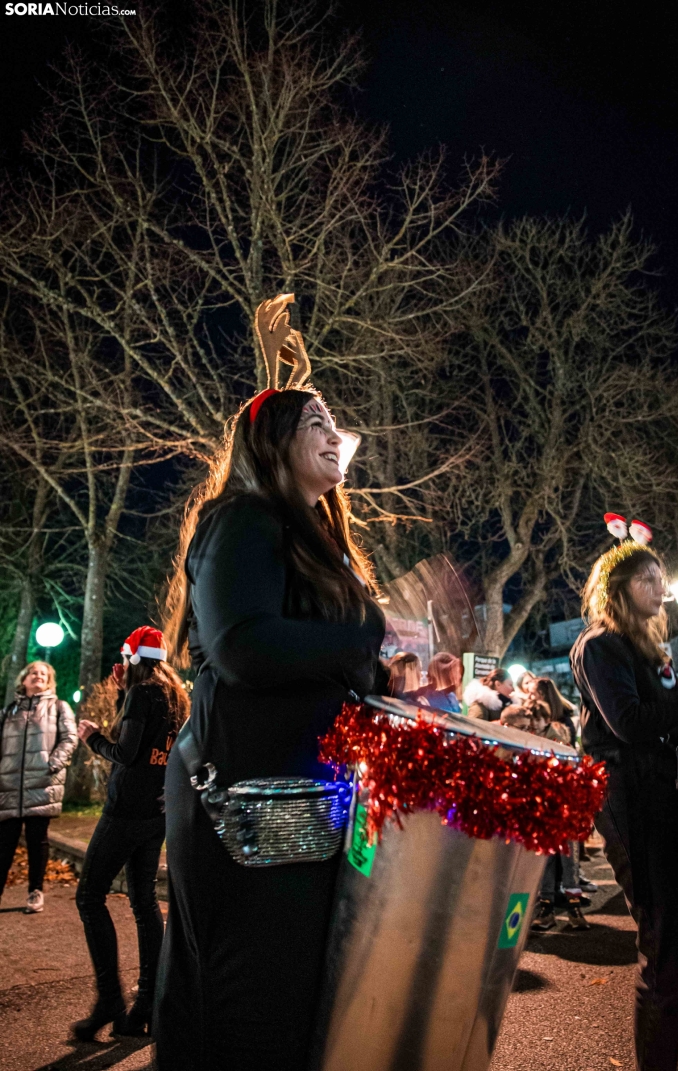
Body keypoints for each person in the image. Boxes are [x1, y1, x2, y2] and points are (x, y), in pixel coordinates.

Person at [153, 365, 386, 1067]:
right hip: (245, 799)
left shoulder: (316, 539)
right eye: (314, 419)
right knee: (246, 1005)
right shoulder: (243, 519)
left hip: (302, 798)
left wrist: (393, 673)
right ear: (272, 443)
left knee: (293, 998)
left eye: (333, 422)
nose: (332, 431)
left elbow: (332, 661)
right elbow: (241, 646)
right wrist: (369, 636)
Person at [571, 539, 678, 1071]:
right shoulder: (599, 644)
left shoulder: (649, 646)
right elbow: (627, 721)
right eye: (649, 578)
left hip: (662, 796)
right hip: (630, 799)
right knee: (663, 944)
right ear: (620, 587)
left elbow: (666, 711)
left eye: (661, 577)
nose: (661, 588)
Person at [73, 626, 189, 1041]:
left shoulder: (143, 695)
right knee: (143, 902)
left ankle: (109, 999)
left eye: (125, 659)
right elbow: (161, 747)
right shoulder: (175, 695)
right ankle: (148, 1006)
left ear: (133, 659)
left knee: (89, 896)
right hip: (156, 810)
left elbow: (126, 752)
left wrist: (92, 738)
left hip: (125, 812)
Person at [0, 660, 77, 913]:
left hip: (42, 784)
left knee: (37, 840)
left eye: (43, 674)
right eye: (33, 672)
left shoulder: (58, 707)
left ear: (49, 681)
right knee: (4, 843)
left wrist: (52, 765)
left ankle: (35, 892)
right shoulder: (9, 711)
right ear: (23, 680)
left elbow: (70, 738)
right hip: (8, 785)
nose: (38, 676)